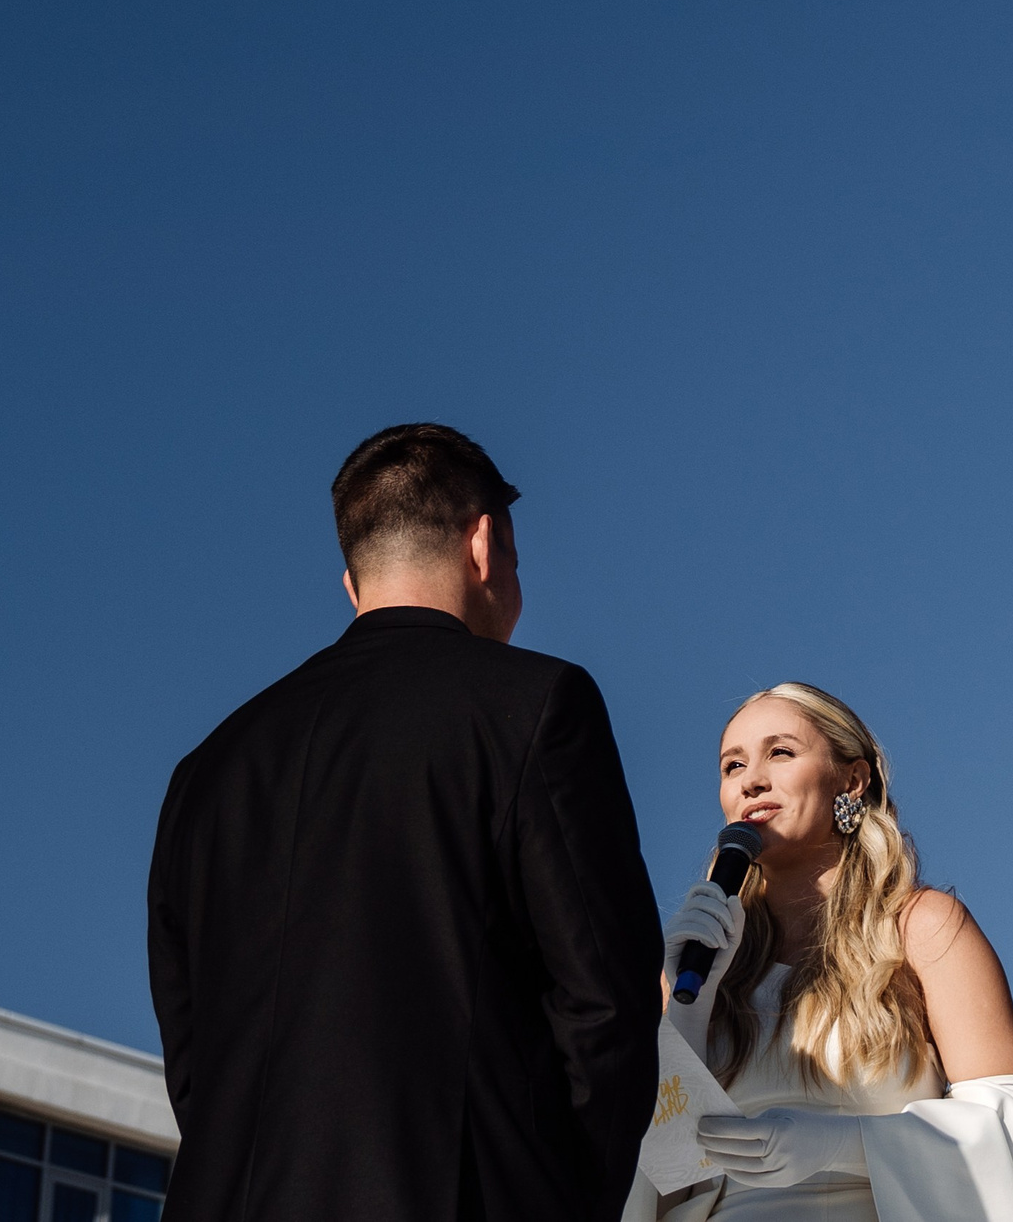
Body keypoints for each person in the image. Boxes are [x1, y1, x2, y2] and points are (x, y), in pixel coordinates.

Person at [147, 424, 664, 1222]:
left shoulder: (206, 773)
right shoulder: (535, 706)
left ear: (352, 587)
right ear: (485, 544)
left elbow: (194, 1061)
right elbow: (606, 1003)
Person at [631, 683, 1013, 1222]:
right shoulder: (695, 963)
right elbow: (657, 1175)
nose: (751, 780)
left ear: (851, 779)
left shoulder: (923, 928)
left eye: (780, 753)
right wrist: (688, 1012)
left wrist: (845, 1145)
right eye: (732, 766)